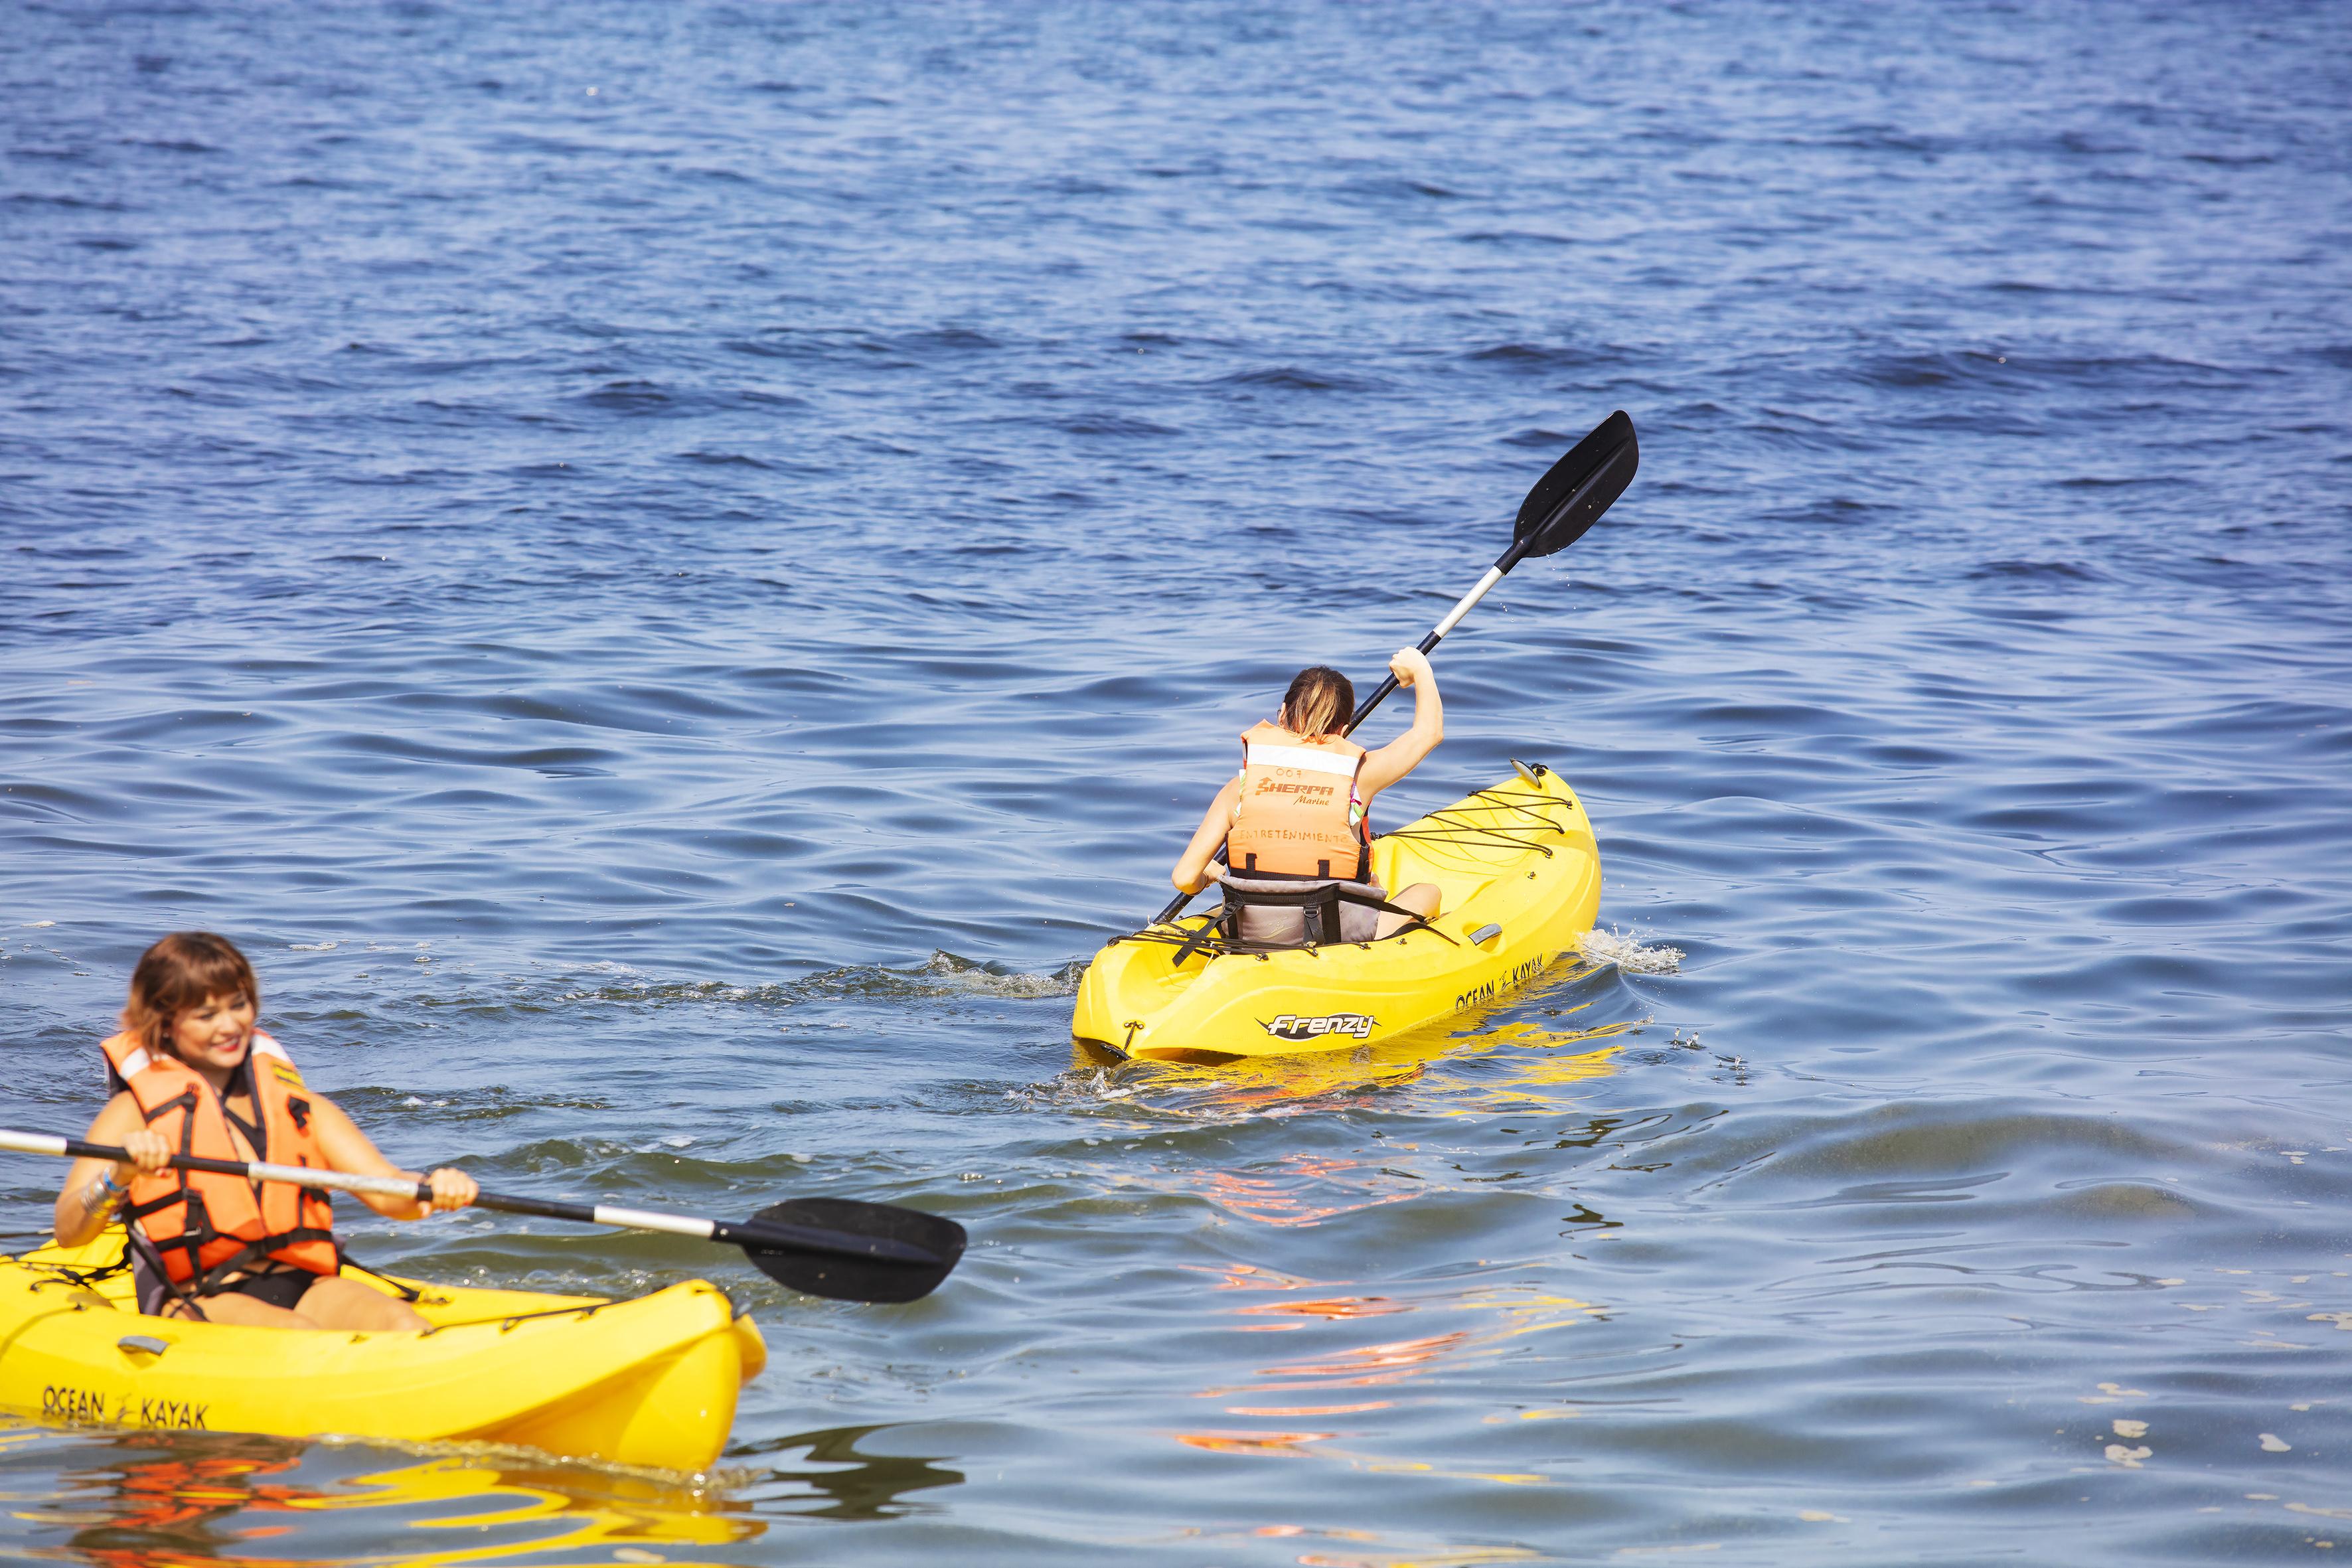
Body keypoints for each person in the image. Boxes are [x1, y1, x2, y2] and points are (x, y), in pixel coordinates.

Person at [52, 931, 477, 1331]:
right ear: (165, 1023)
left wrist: (433, 1188)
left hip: (304, 1283)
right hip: (196, 1294)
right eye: (206, 1015)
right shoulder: (134, 1112)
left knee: (406, 1326)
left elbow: (387, 1191)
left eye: (239, 1005)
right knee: (294, 1336)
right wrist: (118, 1176)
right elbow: (70, 1232)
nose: (230, 1025)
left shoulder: (301, 1107)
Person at [1170, 649, 1445, 945]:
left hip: (1251, 935)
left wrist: (1208, 877)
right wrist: (1420, 669)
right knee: (1427, 892)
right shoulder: (1360, 778)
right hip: (1335, 936)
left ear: (1283, 713)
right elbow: (1428, 733)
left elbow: (1184, 878)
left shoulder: (1239, 788)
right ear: (1343, 729)